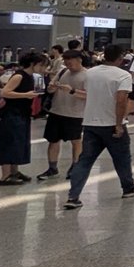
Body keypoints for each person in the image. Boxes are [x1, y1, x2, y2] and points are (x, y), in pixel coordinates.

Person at [63, 44, 134, 210]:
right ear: (120, 58)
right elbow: (121, 101)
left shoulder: (91, 73)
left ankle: (73, 196)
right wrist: (118, 124)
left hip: (90, 123)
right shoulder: (123, 75)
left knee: (84, 161)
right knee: (122, 158)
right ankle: (128, 187)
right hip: (111, 124)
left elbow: (89, 93)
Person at [0, 53, 43, 186]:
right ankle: (5, 176)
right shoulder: (19, 76)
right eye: (40, 65)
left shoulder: (30, 77)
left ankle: (14, 171)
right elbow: (4, 92)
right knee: (9, 142)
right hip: (12, 113)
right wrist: (25, 95)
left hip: (22, 113)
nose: (42, 68)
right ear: (32, 64)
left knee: (18, 142)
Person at [38, 50, 87, 181]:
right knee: (53, 140)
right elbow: (49, 88)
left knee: (76, 141)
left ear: (79, 60)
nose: (68, 65)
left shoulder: (87, 75)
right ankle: (52, 168)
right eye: (66, 62)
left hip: (75, 114)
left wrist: (72, 91)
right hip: (56, 111)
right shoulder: (63, 71)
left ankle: (75, 166)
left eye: (71, 63)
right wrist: (52, 88)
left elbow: (90, 95)